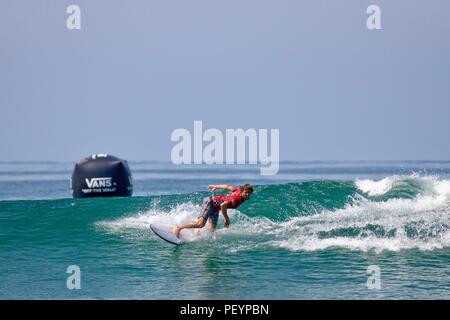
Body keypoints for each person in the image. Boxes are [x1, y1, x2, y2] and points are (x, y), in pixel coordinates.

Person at [173, 184, 254, 238]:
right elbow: (223, 205)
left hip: (215, 208)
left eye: (249, 193)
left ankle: (195, 224)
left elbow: (227, 187)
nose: (247, 195)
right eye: (246, 193)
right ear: (243, 191)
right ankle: (178, 228)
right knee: (200, 225)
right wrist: (226, 219)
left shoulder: (238, 190)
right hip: (210, 203)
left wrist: (216, 186)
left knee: (211, 231)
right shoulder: (236, 199)